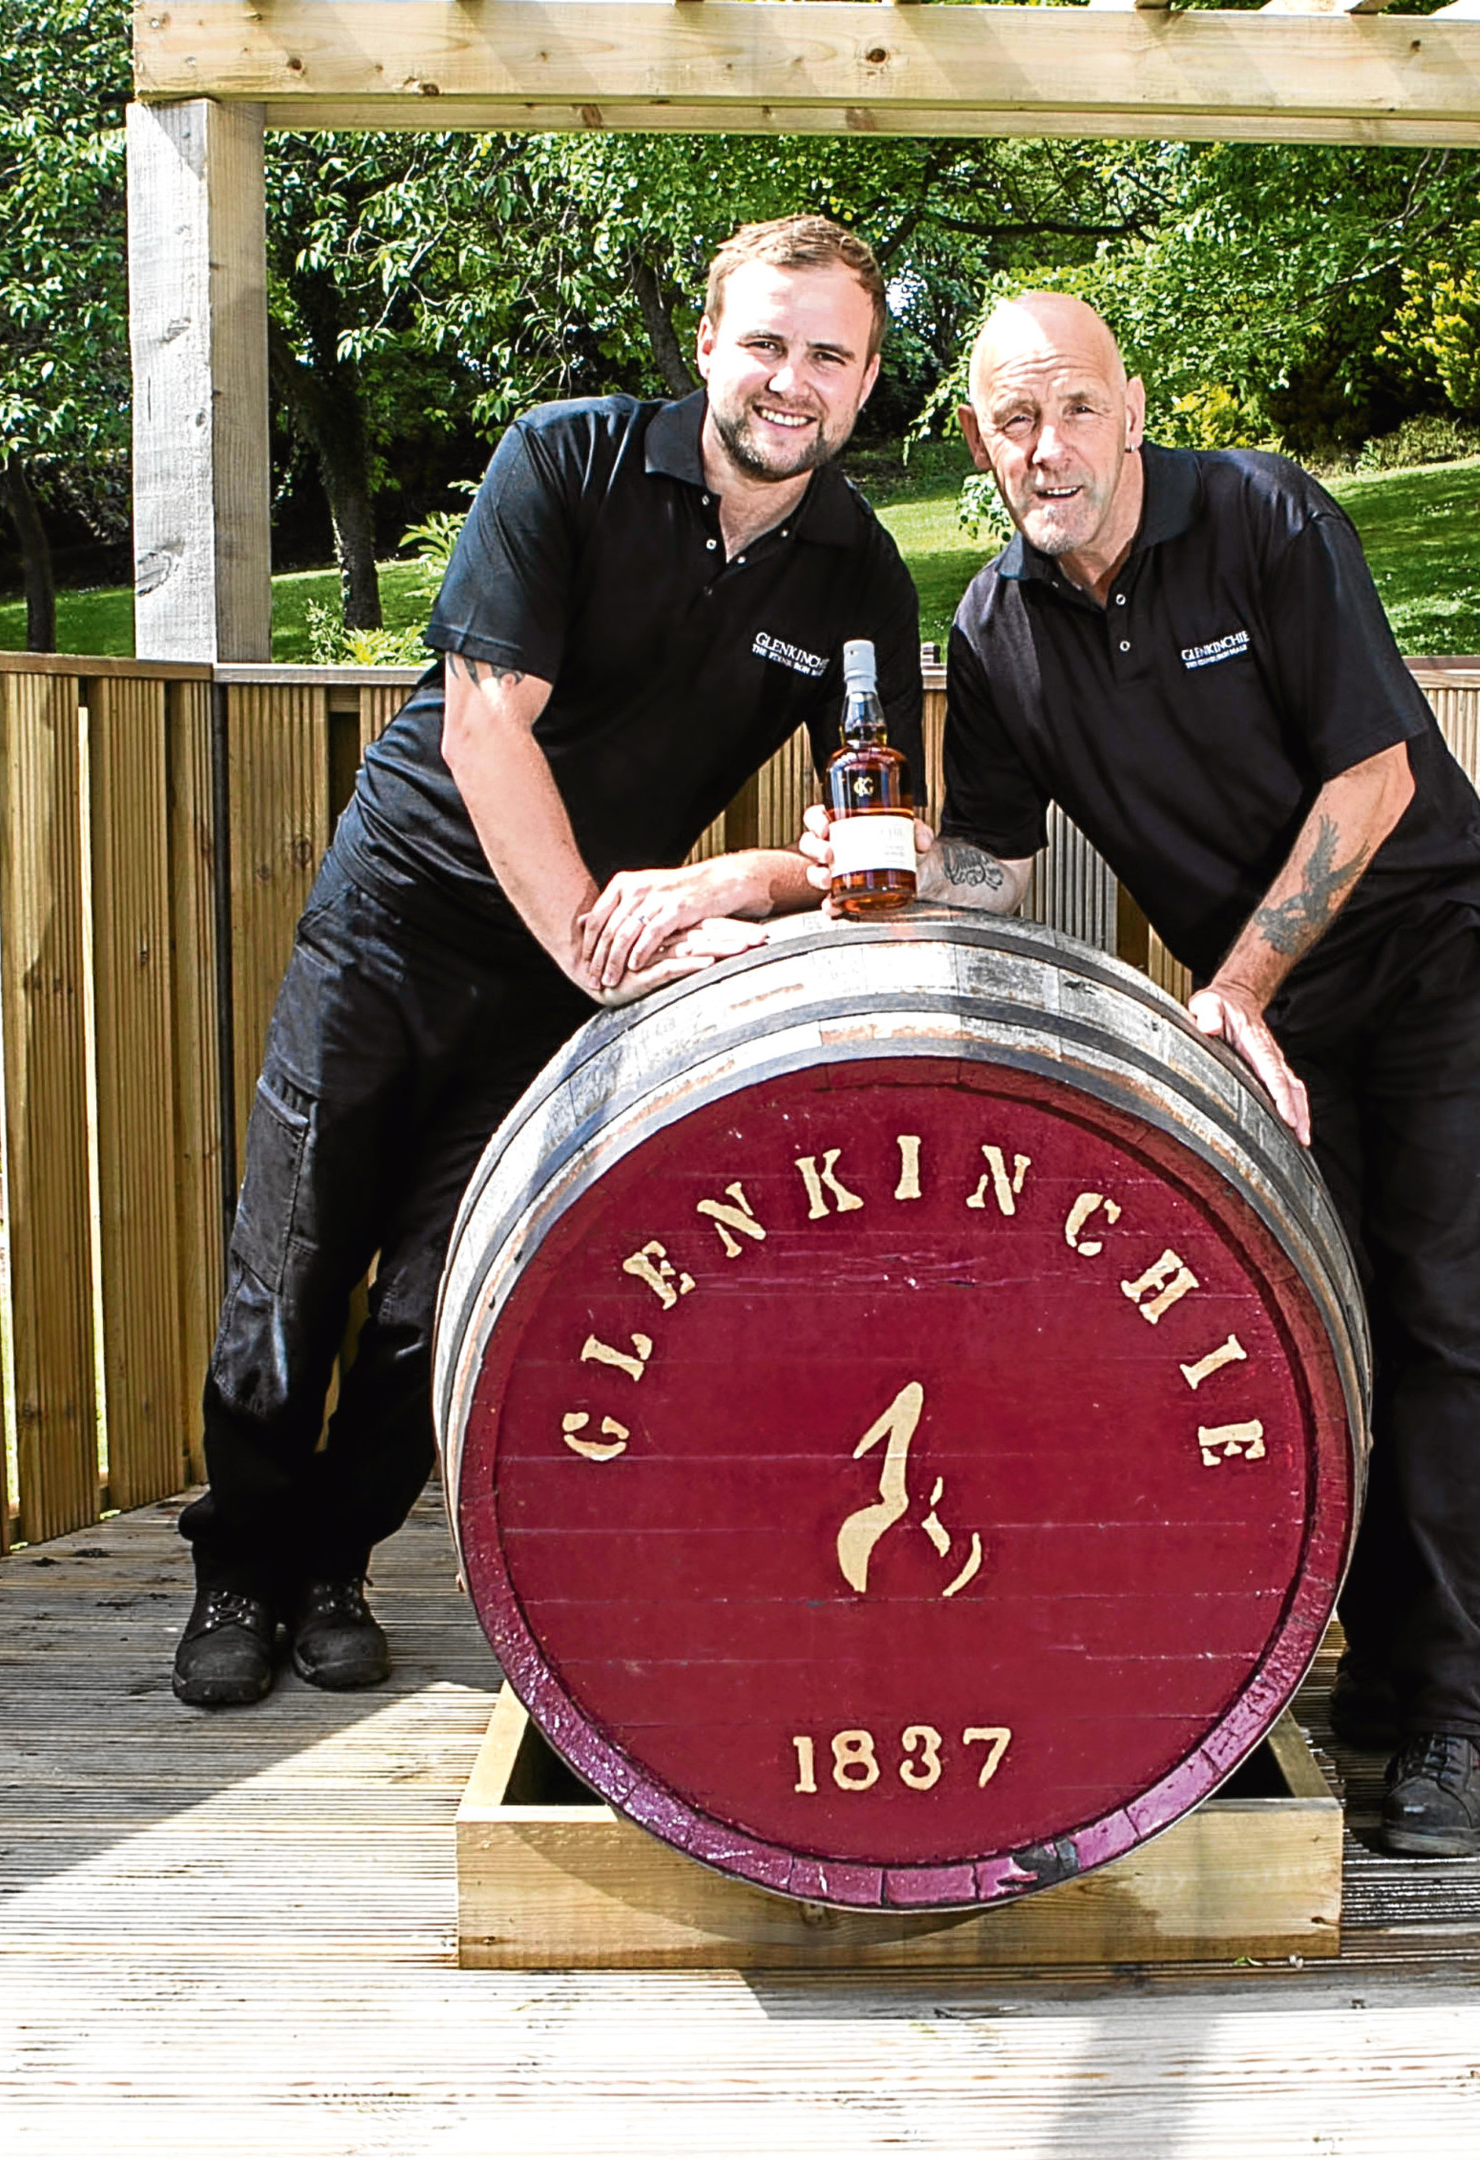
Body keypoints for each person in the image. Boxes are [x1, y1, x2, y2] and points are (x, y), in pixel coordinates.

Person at [810, 293, 1480, 1855]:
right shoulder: (996, 625)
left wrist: (1244, 981)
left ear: (1131, 410)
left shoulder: (1263, 513)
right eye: (1012, 421)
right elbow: (995, 868)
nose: (1046, 446)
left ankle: (1453, 1717)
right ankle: (1366, 1674)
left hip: (1416, 963)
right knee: (1301, 1342)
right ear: (980, 442)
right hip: (1249, 1016)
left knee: (1446, 1327)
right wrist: (860, 874)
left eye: (1072, 407)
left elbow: (1378, 771)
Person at [173, 215, 923, 1708]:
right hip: (405, 915)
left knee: (439, 1289)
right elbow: (482, 722)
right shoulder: (563, 460)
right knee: (298, 1247)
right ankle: (238, 1574)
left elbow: (884, 831)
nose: (792, 380)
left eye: (828, 355)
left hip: (574, 966)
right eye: (766, 342)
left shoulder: (858, 574)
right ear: (708, 342)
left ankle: (336, 1568)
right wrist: (599, 933)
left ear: (865, 380)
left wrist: (737, 878)